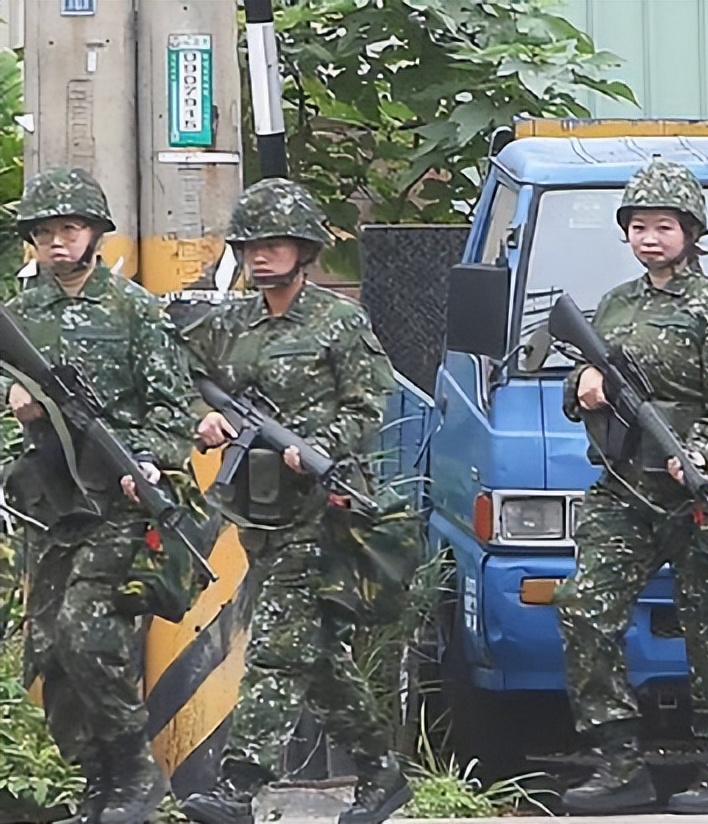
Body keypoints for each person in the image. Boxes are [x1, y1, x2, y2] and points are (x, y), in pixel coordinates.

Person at [554, 158, 708, 815]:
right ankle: (618, 762)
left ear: (691, 231)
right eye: (637, 226)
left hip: (698, 496)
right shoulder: (616, 304)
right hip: (625, 490)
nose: (649, 237)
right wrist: (583, 387)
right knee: (582, 608)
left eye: (663, 226)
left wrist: (700, 456)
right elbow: (577, 390)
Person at [178, 178, 409, 824]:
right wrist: (206, 416)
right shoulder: (229, 322)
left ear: (303, 249)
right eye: (251, 245)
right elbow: (180, 373)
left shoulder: (338, 322)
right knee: (318, 659)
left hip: (324, 510)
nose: (261, 256)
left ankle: (237, 785)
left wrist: (317, 447)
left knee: (279, 645)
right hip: (259, 510)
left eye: (275, 244)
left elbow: (369, 405)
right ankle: (381, 772)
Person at [3, 167, 198, 824]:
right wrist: (15, 403)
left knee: (88, 636)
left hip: (118, 507)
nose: (58, 243)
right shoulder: (19, 317)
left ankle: (135, 771)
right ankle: (100, 779)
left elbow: (175, 411)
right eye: (45, 232)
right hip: (51, 508)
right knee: (49, 656)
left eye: (70, 229)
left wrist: (144, 459)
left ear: (93, 234)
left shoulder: (136, 312)